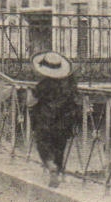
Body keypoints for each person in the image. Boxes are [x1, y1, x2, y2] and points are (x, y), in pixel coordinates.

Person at [28, 51, 80, 188]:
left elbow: (31, 102)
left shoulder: (43, 85)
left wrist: (29, 91)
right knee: (60, 146)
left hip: (45, 118)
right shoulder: (70, 85)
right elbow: (76, 100)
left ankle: (50, 165)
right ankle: (57, 170)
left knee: (42, 143)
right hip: (65, 119)